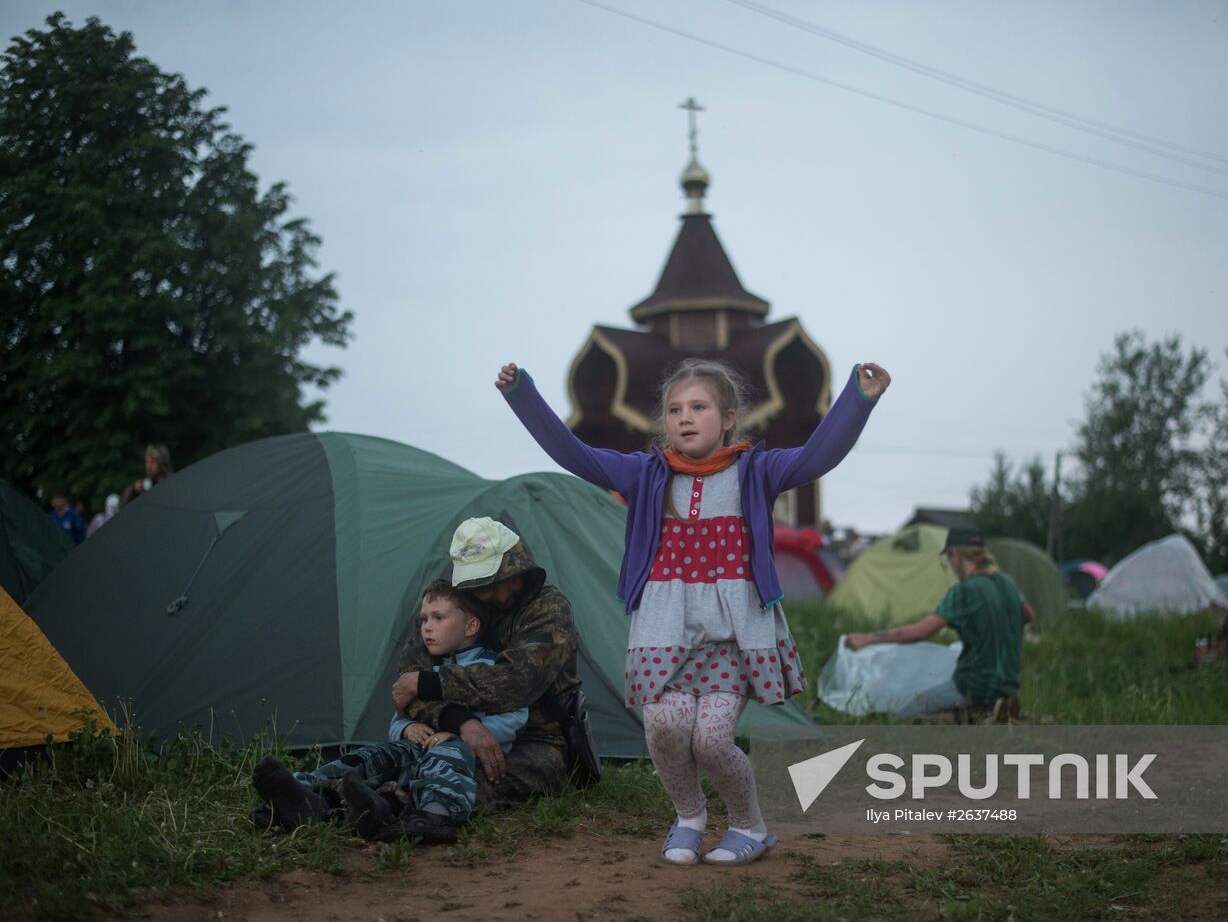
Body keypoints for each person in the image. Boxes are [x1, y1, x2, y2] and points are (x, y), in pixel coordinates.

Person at [494, 356, 889, 865]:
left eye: (698, 407)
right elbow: (574, 453)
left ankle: (750, 825)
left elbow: (817, 457)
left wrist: (859, 400)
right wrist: (522, 394)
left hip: (730, 633)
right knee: (664, 727)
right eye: (675, 409)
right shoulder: (645, 475)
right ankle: (689, 817)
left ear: (727, 418)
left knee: (709, 738)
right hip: (664, 630)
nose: (684, 417)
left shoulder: (756, 471)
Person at [252, 577, 528, 842]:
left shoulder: (491, 669)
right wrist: (407, 728)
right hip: (418, 751)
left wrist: (464, 734)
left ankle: (436, 814)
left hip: (465, 758)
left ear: (471, 626)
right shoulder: (430, 670)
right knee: (375, 754)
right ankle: (303, 791)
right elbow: (400, 716)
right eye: (424, 619)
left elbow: (516, 715)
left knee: (448, 752)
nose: (426, 628)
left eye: (438, 618)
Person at [390, 516, 584, 815]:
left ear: (518, 566)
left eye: (501, 581)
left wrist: (431, 683)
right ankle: (326, 797)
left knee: (469, 779)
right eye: (482, 586)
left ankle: (389, 805)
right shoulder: (460, 604)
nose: (494, 594)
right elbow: (406, 680)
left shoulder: (549, 610)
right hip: (447, 731)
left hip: (535, 740)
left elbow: (514, 682)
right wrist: (459, 721)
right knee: (403, 759)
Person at [846, 526, 1034, 721]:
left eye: (949, 560)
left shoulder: (964, 591)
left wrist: (867, 638)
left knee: (903, 717)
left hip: (973, 686)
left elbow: (919, 632)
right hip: (1008, 687)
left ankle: (972, 715)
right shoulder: (1007, 582)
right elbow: (1028, 614)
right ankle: (994, 709)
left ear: (953, 554)